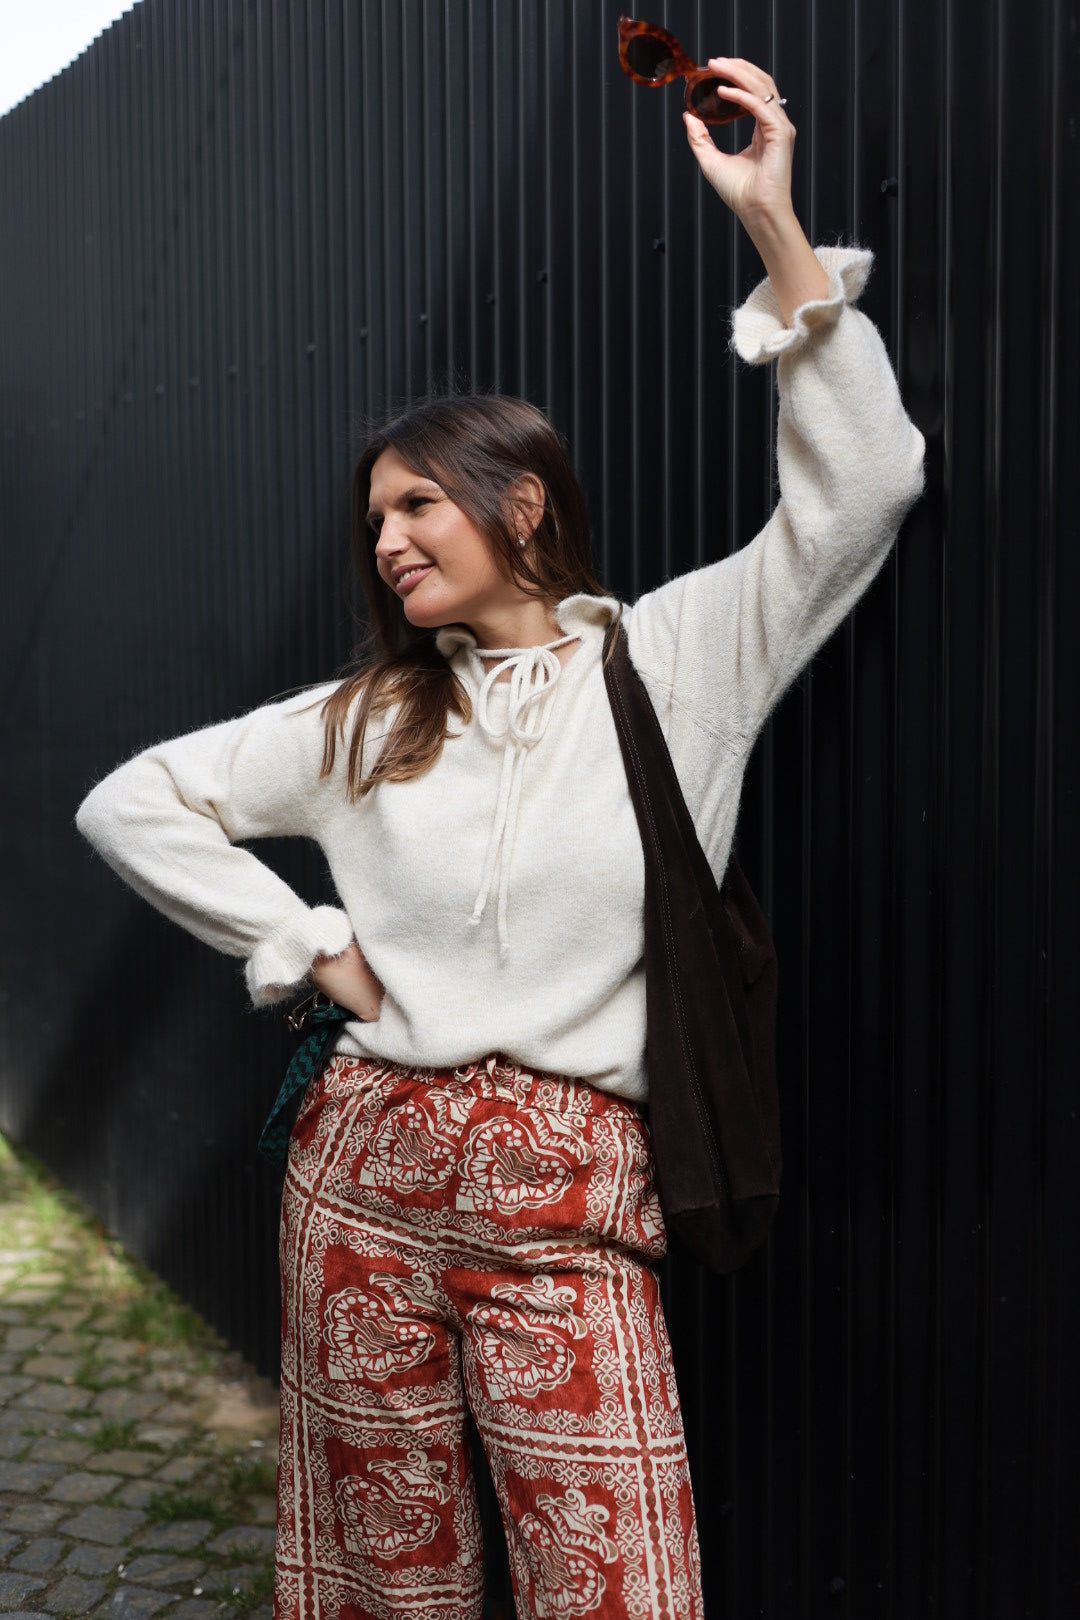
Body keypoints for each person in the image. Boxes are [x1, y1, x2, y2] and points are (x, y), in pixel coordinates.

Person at [76, 55, 925, 1620]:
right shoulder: (368, 717)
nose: (388, 540)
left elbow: (864, 489)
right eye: (375, 522)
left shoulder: (679, 661)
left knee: (618, 1580)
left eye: (419, 505)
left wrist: (774, 222)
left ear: (522, 504)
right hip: (359, 1182)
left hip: (572, 1199)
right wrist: (307, 943)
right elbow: (131, 800)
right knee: (382, 1578)